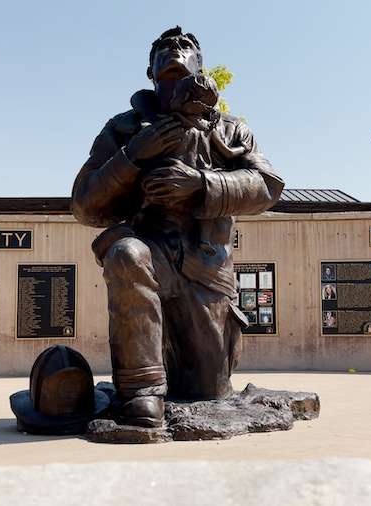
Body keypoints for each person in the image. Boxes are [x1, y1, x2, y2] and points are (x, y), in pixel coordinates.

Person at [71, 27, 284, 428]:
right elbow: (84, 204)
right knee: (125, 253)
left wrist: (201, 185)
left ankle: (190, 375)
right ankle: (141, 392)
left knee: (207, 389)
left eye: (185, 47)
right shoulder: (124, 129)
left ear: (200, 66)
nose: (174, 51)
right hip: (151, 253)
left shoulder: (230, 129)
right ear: (150, 72)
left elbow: (268, 187)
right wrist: (133, 156)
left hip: (206, 269)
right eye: (164, 50)